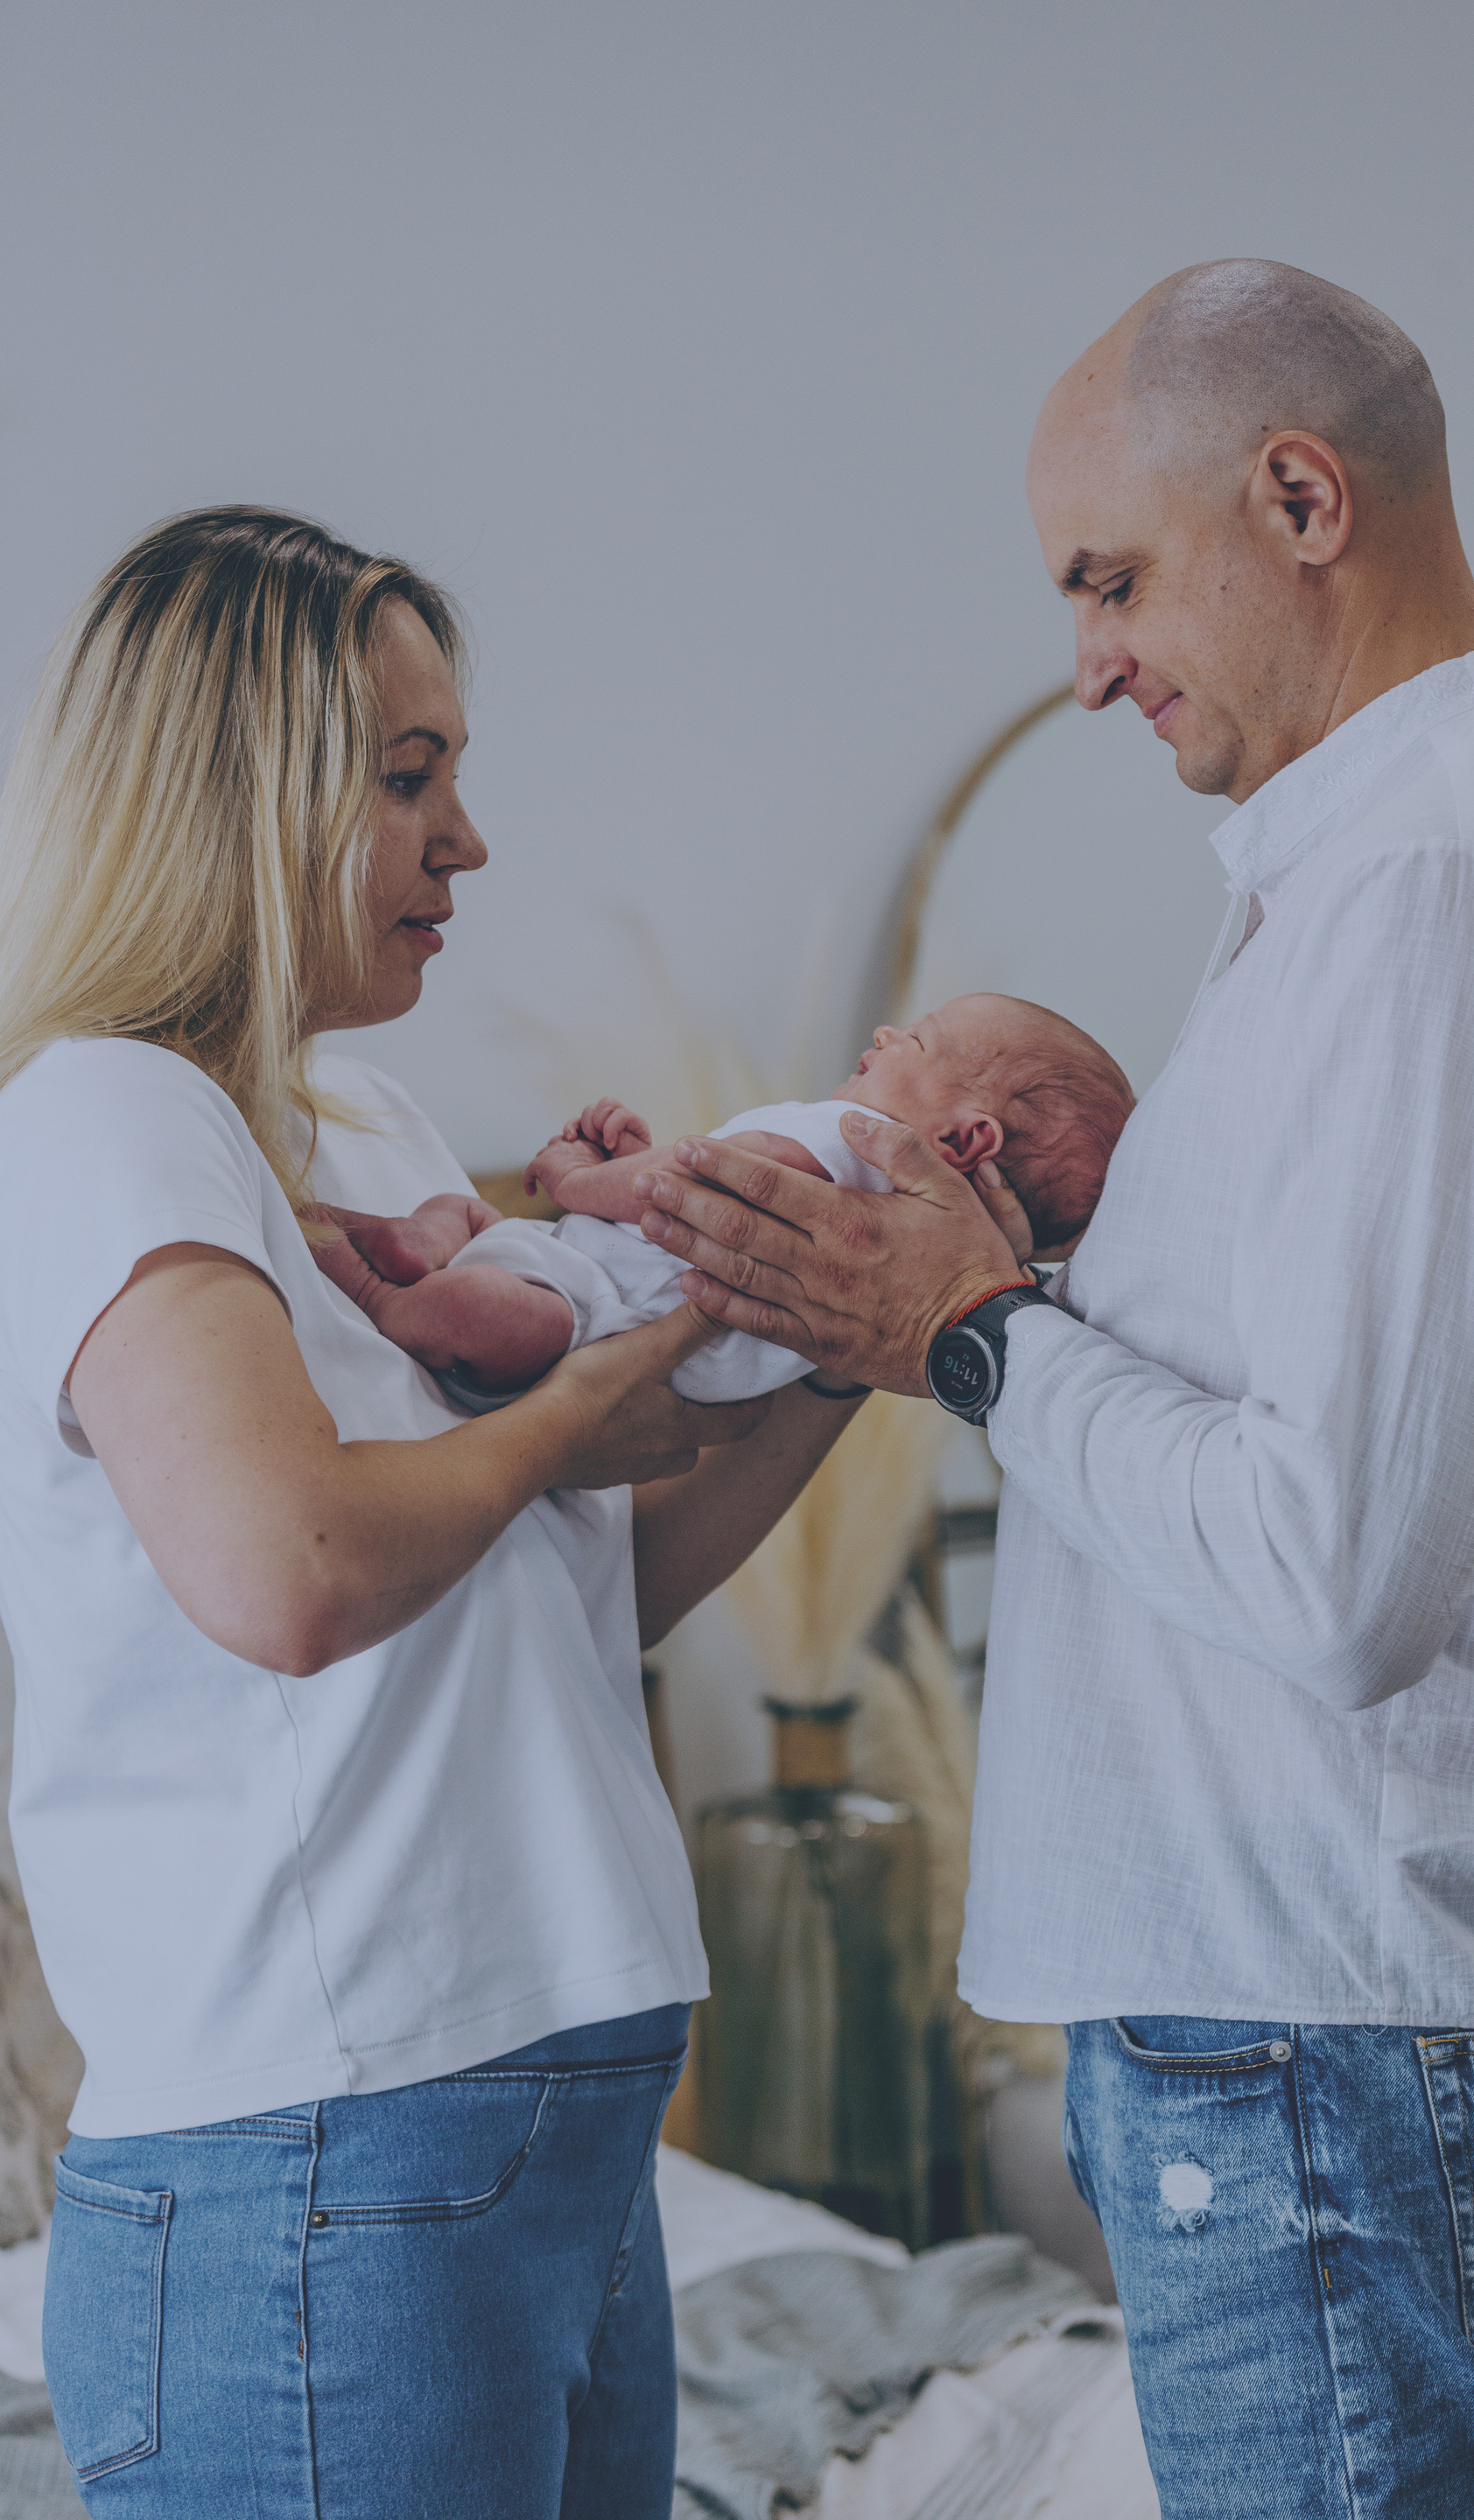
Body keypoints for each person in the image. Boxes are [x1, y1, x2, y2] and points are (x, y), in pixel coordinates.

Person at [627, 262, 1474, 2514]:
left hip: (1338, 2043)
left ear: (1299, 498)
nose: (1090, 660)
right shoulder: (1385, 863)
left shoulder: (1442, 882)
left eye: (1109, 580)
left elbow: (1343, 1572)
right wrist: (1064, 1264)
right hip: (1324, 2037)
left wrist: (974, 1335)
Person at [0, 507, 873, 2518]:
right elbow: (292, 1570)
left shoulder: (361, 1126)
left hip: (535, 2105)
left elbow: (585, 1594)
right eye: (409, 779)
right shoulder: (103, 1116)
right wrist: (576, 1404)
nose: (466, 840)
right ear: (238, 795)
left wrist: (830, 1348)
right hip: (326, 2143)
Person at [309, 993, 1133, 1404]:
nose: (886, 1034)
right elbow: (693, 1197)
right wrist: (633, 1165)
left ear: (964, 1140)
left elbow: (689, 1184)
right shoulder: (868, 1212)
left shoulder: (853, 1139)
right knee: (472, 1229)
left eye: (915, 1042)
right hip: (590, 1281)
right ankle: (423, 1246)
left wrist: (577, 1181)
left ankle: (382, 1293)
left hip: (585, 1313)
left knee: (494, 1303)